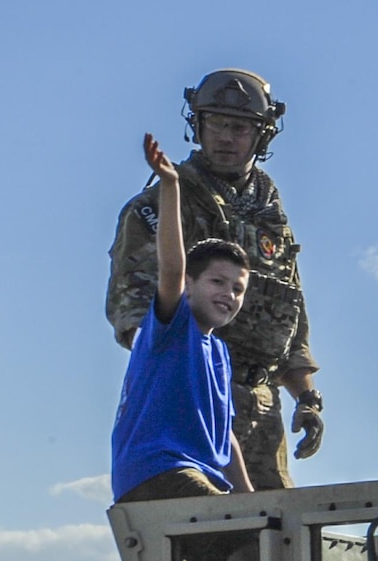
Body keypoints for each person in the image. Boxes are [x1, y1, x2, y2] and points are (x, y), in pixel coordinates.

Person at [106, 69, 322, 490]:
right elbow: (138, 321)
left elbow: (291, 313)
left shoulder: (271, 219)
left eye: (239, 128)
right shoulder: (157, 207)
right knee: (204, 537)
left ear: (262, 135)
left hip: (262, 405)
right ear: (197, 125)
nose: (226, 137)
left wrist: (308, 399)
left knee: (277, 538)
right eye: (216, 124)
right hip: (190, 410)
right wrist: (191, 377)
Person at [110, 133, 257, 561]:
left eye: (239, 290)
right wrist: (170, 186)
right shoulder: (169, 329)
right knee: (242, 544)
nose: (229, 295)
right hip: (157, 470)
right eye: (218, 282)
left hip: (198, 474)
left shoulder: (219, 354)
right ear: (193, 287)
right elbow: (169, 263)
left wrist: (254, 496)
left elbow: (228, 438)